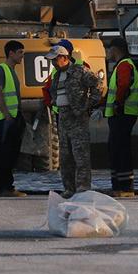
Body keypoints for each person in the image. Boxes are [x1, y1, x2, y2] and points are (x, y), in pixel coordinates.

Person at [46, 45, 101, 198]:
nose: (54, 64)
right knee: (65, 155)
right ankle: (69, 188)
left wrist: (88, 105)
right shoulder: (57, 75)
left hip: (77, 117)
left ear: (64, 58)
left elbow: (97, 85)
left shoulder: (79, 71)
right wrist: (55, 101)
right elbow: (53, 91)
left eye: (55, 60)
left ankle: (83, 188)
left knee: (80, 154)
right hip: (63, 117)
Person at [103, 38, 138, 198]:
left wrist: (118, 104)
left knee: (120, 150)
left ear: (115, 49)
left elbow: (124, 85)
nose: (107, 53)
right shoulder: (123, 65)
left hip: (122, 113)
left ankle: (125, 188)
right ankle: (119, 186)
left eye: (109, 50)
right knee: (116, 149)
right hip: (121, 113)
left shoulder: (124, 65)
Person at [0, 40, 27, 197]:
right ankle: (1, 188)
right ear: (11, 53)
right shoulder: (1, 70)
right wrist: (6, 115)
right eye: (20, 52)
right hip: (7, 119)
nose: (22, 56)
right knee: (4, 154)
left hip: (14, 117)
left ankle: (8, 186)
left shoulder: (12, 71)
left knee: (11, 154)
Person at [42, 39, 90, 111]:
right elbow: (48, 88)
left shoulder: (82, 66)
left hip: (78, 113)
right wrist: (51, 104)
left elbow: (94, 86)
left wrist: (89, 104)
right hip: (61, 112)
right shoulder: (56, 70)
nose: (53, 62)